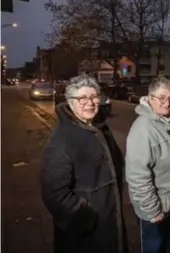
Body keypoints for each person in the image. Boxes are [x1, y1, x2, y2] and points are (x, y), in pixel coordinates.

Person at [40, 74, 128, 253]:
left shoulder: (100, 128)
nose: (90, 102)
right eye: (82, 98)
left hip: (110, 222)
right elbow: (55, 193)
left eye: (94, 96)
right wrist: (85, 219)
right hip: (86, 235)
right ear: (70, 102)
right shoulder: (62, 140)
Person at [126, 76, 170, 253]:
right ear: (150, 98)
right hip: (155, 210)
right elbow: (137, 176)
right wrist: (152, 210)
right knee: (155, 248)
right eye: (162, 98)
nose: (167, 103)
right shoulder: (143, 128)